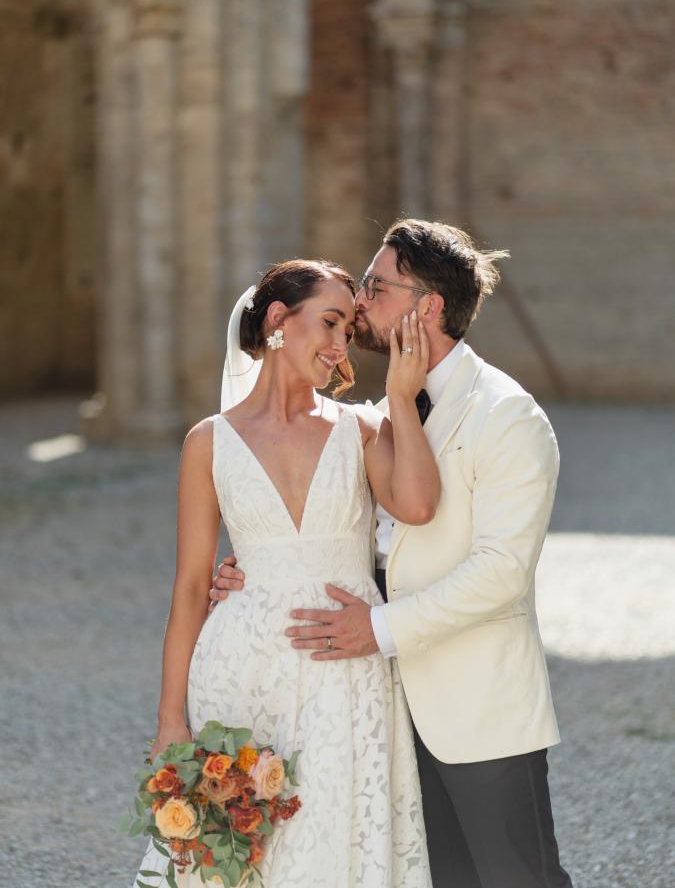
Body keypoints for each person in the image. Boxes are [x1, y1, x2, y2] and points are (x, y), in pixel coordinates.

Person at [212, 221, 574, 888]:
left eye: (375, 287)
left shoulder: (507, 417)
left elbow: (500, 575)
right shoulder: (382, 415)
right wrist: (247, 571)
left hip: (476, 707)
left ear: (425, 307)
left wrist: (373, 629)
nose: (358, 304)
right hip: (378, 709)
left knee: (518, 879)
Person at [133, 259, 436, 888]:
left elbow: (418, 505)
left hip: (344, 673)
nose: (337, 345)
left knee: (334, 844)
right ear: (277, 319)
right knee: (245, 856)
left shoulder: (361, 428)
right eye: (327, 323)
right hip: (240, 670)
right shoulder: (207, 442)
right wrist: (170, 719)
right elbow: (191, 586)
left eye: (347, 332)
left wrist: (401, 399)